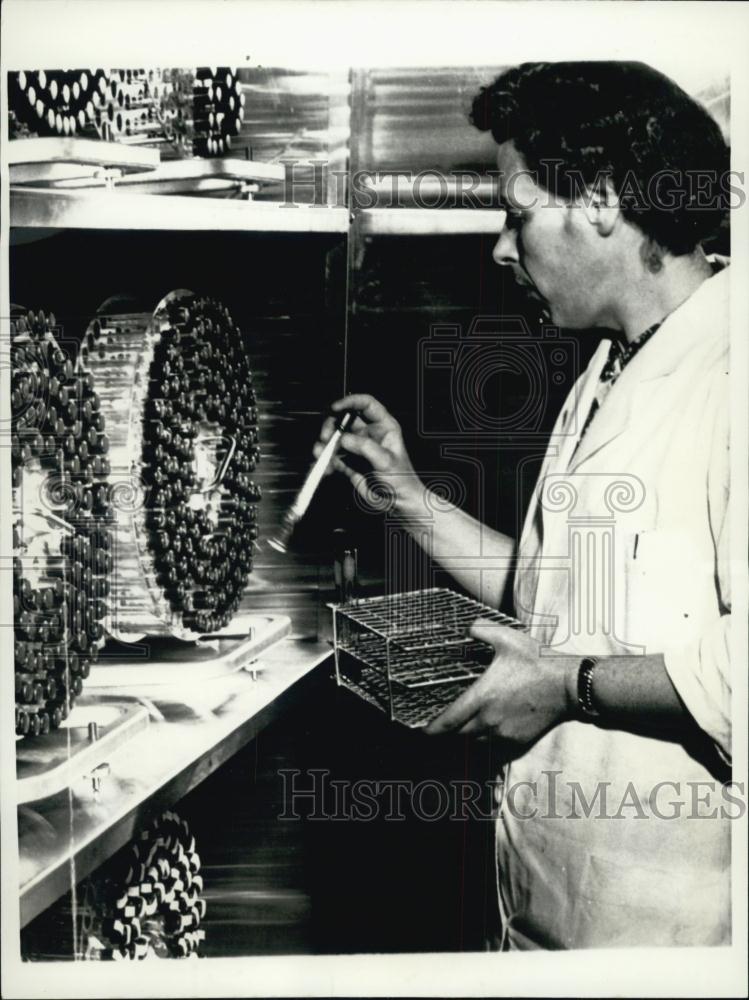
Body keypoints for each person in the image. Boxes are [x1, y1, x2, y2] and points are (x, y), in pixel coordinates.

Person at [314, 62, 732, 949]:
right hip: (549, 912)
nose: (502, 248)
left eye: (516, 211)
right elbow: (561, 597)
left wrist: (566, 686)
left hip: (671, 937)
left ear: (603, 200)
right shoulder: (613, 362)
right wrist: (409, 499)